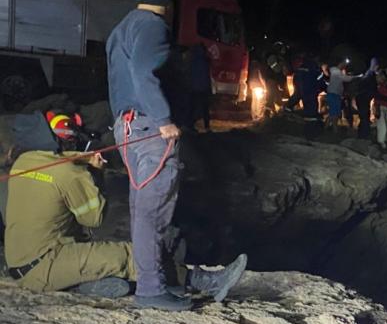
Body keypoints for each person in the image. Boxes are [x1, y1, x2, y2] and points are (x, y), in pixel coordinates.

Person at [3, 111, 248, 301]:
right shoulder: (69, 173)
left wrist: (80, 160)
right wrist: (94, 174)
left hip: (20, 264)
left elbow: (56, 168)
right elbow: (94, 219)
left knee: (96, 255)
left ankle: (81, 285)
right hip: (45, 264)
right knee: (131, 254)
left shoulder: (22, 163)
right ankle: (205, 281)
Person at [106, 0, 191, 310]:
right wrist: (164, 120)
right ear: (167, 2)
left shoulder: (122, 26)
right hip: (148, 128)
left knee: (141, 206)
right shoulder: (152, 26)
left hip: (127, 127)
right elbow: (144, 72)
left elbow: (122, 77)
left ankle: (152, 282)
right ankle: (152, 290)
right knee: (153, 208)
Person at [325, 58, 357, 130]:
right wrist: (354, 77)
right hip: (333, 94)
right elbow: (346, 78)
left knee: (333, 113)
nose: (345, 65)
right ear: (340, 63)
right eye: (344, 64)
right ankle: (334, 129)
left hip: (336, 94)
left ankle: (327, 128)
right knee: (334, 113)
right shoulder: (335, 71)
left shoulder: (338, 72)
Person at [189, 44, 212, 132]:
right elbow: (207, 76)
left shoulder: (192, 61)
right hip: (203, 88)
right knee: (205, 108)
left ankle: (191, 126)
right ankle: (207, 126)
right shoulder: (205, 61)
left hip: (194, 88)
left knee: (193, 108)